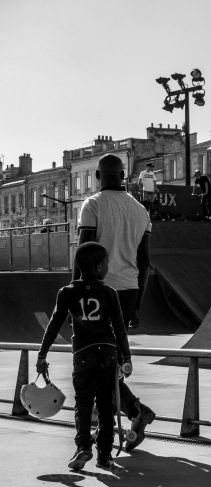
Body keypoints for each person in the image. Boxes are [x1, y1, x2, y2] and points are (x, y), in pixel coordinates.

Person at [76, 153, 155, 452]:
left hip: (97, 292)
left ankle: (135, 410)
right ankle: (131, 413)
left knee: (95, 364)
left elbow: (83, 255)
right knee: (106, 362)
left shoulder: (92, 204)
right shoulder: (140, 211)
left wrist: (74, 293)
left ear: (98, 176)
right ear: (123, 176)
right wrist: (137, 305)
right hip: (129, 290)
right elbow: (145, 262)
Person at [37, 241, 132, 470]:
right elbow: (119, 328)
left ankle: (83, 447)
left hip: (83, 354)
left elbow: (54, 325)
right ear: (99, 267)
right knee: (106, 406)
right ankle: (104, 456)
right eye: (106, 263)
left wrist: (42, 355)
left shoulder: (67, 292)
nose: (108, 266)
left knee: (83, 403)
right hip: (108, 353)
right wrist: (126, 359)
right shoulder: (109, 293)